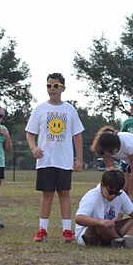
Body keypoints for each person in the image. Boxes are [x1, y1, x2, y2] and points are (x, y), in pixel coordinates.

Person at [25, 73, 84, 243]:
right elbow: (30, 133)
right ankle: (42, 229)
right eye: (49, 86)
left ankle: (67, 230)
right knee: (47, 194)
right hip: (46, 160)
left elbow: (77, 135)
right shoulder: (40, 109)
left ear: (63, 88)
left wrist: (79, 158)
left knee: (64, 193)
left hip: (64, 160)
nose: (52, 89)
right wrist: (34, 147)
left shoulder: (69, 109)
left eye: (56, 86)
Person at [73, 167, 133, 248]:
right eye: (110, 192)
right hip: (91, 232)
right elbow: (79, 219)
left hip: (111, 228)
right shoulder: (92, 197)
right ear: (102, 184)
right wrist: (99, 222)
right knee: (103, 226)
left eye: (117, 192)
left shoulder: (121, 194)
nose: (113, 195)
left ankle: (124, 241)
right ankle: (123, 242)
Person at [90, 125, 133, 204]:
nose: (111, 154)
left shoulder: (128, 144)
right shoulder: (102, 151)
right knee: (121, 193)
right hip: (126, 161)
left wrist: (131, 194)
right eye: (109, 152)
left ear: (118, 144)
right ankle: (117, 216)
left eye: (113, 151)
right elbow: (114, 171)